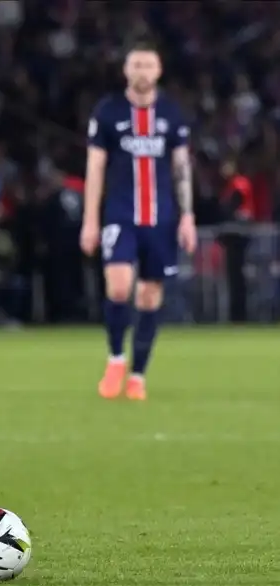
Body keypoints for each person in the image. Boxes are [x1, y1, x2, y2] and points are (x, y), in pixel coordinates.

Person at [80, 41, 197, 400]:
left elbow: (181, 168)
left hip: (161, 219)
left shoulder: (172, 113)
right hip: (120, 215)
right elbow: (95, 167)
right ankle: (116, 358)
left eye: (148, 65)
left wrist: (188, 216)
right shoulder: (109, 111)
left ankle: (138, 376)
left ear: (158, 71)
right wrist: (90, 220)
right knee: (118, 286)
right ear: (126, 70)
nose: (142, 71)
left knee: (149, 296)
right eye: (136, 65)